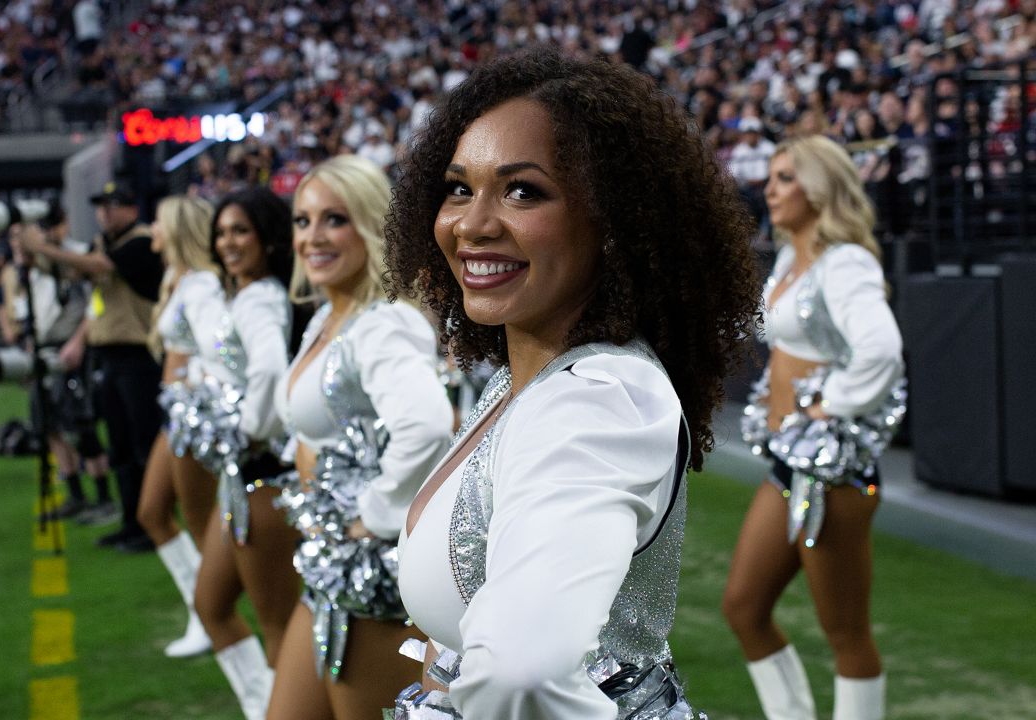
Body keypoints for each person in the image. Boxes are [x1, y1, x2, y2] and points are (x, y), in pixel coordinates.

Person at [386, 47, 761, 719]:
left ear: (616, 223)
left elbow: (520, 677)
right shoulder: (521, 380)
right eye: (458, 188)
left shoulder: (598, 402)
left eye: (523, 190)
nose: (473, 223)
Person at [267, 156, 453, 720]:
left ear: (372, 227)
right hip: (329, 561)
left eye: (334, 220)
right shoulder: (329, 318)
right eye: (302, 221)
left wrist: (369, 516)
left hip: (371, 571)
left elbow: (426, 427)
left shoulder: (381, 323)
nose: (313, 237)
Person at [726, 136, 905, 720]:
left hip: (833, 473)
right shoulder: (786, 259)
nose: (769, 189)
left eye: (785, 178)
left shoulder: (845, 261)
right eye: (770, 178)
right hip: (788, 462)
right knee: (744, 607)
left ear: (819, 187)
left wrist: (831, 407)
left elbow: (881, 349)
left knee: (845, 632)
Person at [182, 187, 299, 720]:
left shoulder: (261, 297)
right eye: (222, 232)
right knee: (209, 604)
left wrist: (246, 430)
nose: (228, 242)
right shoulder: (247, 293)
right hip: (242, 478)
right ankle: (260, 706)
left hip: (265, 478)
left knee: (278, 631)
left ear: (268, 239)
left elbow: (271, 372)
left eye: (241, 231)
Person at [21, 182, 164, 552]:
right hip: (109, 356)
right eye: (101, 207)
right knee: (118, 445)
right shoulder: (106, 243)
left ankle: (153, 524)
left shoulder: (141, 241)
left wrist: (44, 247)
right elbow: (76, 272)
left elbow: (97, 266)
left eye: (112, 206)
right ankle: (131, 521)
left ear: (132, 208)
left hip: (139, 355)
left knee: (142, 444)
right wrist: (32, 255)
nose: (104, 213)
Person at [135, 194, 224, 658]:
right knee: (152, 512)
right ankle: (203, 610)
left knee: (196, 520)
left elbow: (218, 353)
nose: (152, 228)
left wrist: (194, 390)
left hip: (191, 417)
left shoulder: (203, 285)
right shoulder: (180, 277)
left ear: (176, 228)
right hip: (175, 414)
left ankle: (210, 614)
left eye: (157, 221)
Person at [3, 208, 115, 526]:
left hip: (74, 346)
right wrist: (29, 344)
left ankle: (104, 496)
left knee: (82, 423)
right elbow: (27, 303)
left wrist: (81, 339)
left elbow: (98, 301)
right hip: (44, 345)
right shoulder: (25, 266)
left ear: (63, 225)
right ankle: (76, 494)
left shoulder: (80, 253)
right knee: (47, 423)